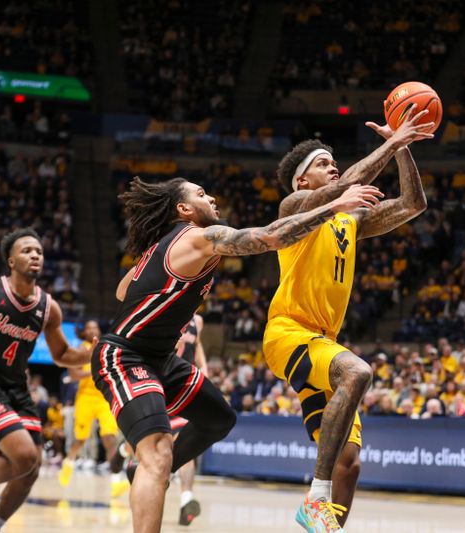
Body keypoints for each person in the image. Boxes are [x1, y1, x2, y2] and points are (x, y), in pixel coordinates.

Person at [94, 176, 381, 533]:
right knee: (158, 452)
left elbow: (124, 291)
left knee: (218, 419)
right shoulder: (198, 237)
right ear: (184, 210)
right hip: (126, 357)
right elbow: (271, 237)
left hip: (162, 360)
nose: (211, 197)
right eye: (200, 194)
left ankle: (148, 472)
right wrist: (332, 208)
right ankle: (153, 469)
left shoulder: (167, 247)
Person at [263, 105, 433, 531]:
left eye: (334, 162)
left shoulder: (349, 215)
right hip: (288, 331)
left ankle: (328, 525)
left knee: (350, 463)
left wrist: (403, 148)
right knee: (357, 372)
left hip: (322, 340)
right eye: (324, 164)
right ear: (303, 179)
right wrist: (392, 140)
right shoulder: (294, 205)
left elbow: (414, 203)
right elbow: (345, 187)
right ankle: (315, 497)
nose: (333, 168)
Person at [0, 228, 94, 533]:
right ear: (11, 261)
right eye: (26, 250)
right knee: (25, 456)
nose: (35, 254)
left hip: (17, 390)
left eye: (38, 250)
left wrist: (95, 353)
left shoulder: (48, 307)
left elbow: (62, 354)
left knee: (32, 468)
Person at [59, 320, 125, 497]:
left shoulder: (105, 347)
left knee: (109, 437)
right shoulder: (81, 349)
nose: (92, 330)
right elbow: (73, 375)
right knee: (80, 439)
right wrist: (95, 370)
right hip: (85, 398)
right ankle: (69, 463)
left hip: (104, 398)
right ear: (84, 332)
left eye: (95, 327)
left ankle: (116, 480)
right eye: (88, 328)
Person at [172, 313, 207, 526]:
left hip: (185, 386)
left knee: (185, 444)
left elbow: (198, 344)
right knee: (151, 444)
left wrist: (203, 366)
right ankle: (123, 453)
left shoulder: (198, 321)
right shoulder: (168, 306)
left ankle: (187, 498)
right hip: (161, 381)